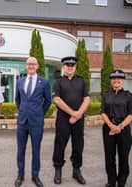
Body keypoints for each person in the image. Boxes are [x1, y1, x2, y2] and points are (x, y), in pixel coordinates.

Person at [52, 56, 90, 185]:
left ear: (75, 67)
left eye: (72, 65)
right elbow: (57, 99)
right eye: (67, 65)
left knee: (78, 145)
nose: (70, 67)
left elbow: (87, 99)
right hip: (63, 120)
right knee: (60, 145)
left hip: (78, 120)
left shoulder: (82, 81)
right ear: (63, 67)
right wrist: (73, 113)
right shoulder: (58, 82)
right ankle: (58, 170)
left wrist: (78, 114)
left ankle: (76, 170)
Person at [14, 57, 51, 187]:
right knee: (21, 150)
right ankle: (20, 175)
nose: (31, 66)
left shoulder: (44, 82)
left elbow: (48, 101)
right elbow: (17, 100)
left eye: (33, 64)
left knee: (36, 149)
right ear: (26, 66)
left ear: (37, 66)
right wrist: (23, 111)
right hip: (22, 122)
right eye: (29, 64)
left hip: (37, 122)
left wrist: (40, 113)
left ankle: (35, 175)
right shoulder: (20, 81)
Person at [101, 69, 132, 187]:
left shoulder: (129, 96)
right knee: (109, 157)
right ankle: (111, 181)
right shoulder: (106, 95)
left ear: (123, 80)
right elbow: (103, 112)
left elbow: (130, 114)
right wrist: (111, 126)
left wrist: (120, 127)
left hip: (123, 130)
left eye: (119, 78)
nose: (116, 80)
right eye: (114, 78)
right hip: (108, 129)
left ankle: (121, 182)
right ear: (111, 81)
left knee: (123, 158)